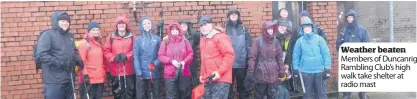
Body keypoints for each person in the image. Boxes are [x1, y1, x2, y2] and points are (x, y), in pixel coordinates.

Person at [36, 11, 84, 99]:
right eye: (62, 21)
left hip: (69, 78)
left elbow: (74, 50)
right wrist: (60, 63)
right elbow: (42, 55)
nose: (65, 23)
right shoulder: (47, 35)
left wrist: (78, 59)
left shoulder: (70, 36)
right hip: (54, 80)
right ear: (55, 22)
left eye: (67, 21)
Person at [245, 21, 287, 99]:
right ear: (264, 30)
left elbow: (279, 57)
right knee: (259, 96)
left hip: (273, 75)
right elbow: (252, 57)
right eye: (269, 29)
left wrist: (282, 70)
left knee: (273, 96)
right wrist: (250, 71)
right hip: (261, 74)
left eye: (272, 29)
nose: (271, 31)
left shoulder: (276, 41)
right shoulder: (258, 41)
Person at [292, 18, 331, 99]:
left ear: (312, 27)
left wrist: (327, 69)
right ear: (302, 29)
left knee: (321, 94)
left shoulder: (319, 39)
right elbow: (296, 56)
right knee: (307, 95)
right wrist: (295, 69)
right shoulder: (299, 41)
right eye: (305, 27)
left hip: (319, 71)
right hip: (305, 71)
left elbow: (326, 54)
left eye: (308, 27)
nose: (307, 29)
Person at [198, 16, 235, 99]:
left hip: (221, 79)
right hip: (209, 79)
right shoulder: (203, 40)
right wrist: (202, 74)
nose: (203, 27)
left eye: (205, 24)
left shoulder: (220, 37)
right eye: (201, 26)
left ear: (211, 25)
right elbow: (204, 60)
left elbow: (229, 55)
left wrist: (219, 72)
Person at [336, 9, 370, 99]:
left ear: (355, 18)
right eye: (348, 18)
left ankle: (363, 94)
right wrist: (342, 45)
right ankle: (346, 95)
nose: (349, 19)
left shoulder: (362, 30)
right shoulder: (344, 30)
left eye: (351, 17)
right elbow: (338, 44)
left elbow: (367, 46)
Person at [158, 23, 194, 99]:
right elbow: (161, 56)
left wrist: (184, 62)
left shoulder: (185, 41)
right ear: (169, 31)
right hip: (170, 74)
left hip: (184, 72)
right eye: (172, 29)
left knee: (184, 95)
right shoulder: (165, 41)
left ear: (179, 30)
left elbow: (190, 54)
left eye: (176, 29)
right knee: (171, 96)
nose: (174, 30)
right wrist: (171, 61)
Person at [103, 16, 136, 99]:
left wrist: (127, 56)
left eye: (123, 23)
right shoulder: (111, 37)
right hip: (116, 71)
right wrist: (113, 57)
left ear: (126, 25)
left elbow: (136, 50)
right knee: (117, 93)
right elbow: (106, 51)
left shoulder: (132, 36)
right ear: (116, 26)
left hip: (129, 70)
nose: (121, 25)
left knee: (130, 93)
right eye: (119, 24)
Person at [224, 8, 251, 99]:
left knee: (242, 87)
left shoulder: (243, 28)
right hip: (228, 64)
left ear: (238, 16)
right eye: (232, 14)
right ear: (229, 16)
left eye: (236, 14)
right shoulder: (224, 29)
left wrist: (248, 59)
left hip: (241, 63)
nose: (234, 15)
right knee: (228, 88)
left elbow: (248, 44)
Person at [133, 17, 162, 99]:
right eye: (144, 24)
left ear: (151, 25)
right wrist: (138, 71)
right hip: (142, 71)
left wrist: (155, 63)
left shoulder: (157, 38)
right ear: (142, 26)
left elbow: (162, 54)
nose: (147, 25)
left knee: (157, 93)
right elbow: (136, 56)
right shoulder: (138, 40)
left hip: (154, 71)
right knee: (142, 94)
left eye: (148, 23)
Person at [78, 22, 106, 99]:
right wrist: (85, 75)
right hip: (89, 79)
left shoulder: (100, 43)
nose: (95, 32)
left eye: (97, 30)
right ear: (89, 31)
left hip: (99, 78)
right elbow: (81, 61)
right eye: (93, 30)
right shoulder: (85, 43)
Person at [178, 19, 201, 88]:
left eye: (185, 25)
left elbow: (200, 41)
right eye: (182, 25)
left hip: (192, 62)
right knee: (183, 82)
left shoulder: (194, 35)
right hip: (181, 62)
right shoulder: (177, 35)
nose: (183, 26)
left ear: (188, 26)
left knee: (193, 80)